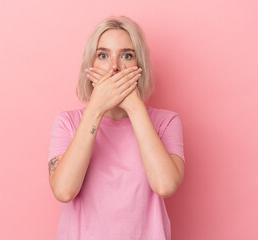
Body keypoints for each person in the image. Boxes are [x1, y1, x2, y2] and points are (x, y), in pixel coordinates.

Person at [47, 15, 185, 240]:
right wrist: (96, 109)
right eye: (103, 55)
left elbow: (165, 185)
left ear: (139, 66)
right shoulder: (67, 123)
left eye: (127, 56)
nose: (114, 68)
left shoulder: (166, 122)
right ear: (90, 66)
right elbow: (64, 190)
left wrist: (133, 105)